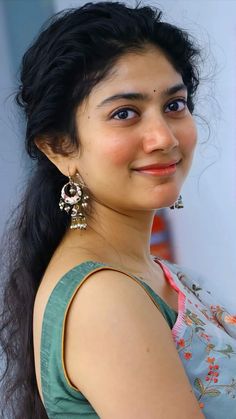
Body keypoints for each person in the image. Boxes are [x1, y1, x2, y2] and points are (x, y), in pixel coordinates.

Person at [0, 2, 235, 418]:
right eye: (124, 113)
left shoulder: (142, 269)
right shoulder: (103, 298)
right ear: (59, 147)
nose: (162, 136)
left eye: (174, 105)